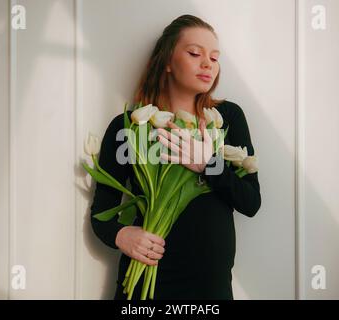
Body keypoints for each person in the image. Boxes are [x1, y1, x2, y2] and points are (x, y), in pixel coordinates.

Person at [90, 14, 262, 300]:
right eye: (195, 53)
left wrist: (209, 165)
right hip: (146, 280)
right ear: (168, 61)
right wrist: (122, 236)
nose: (208, 63)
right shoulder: (130, 126)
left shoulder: (227, 118)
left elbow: (251, 202)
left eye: (215, 57)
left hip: (211, 289)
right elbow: (101, 215)